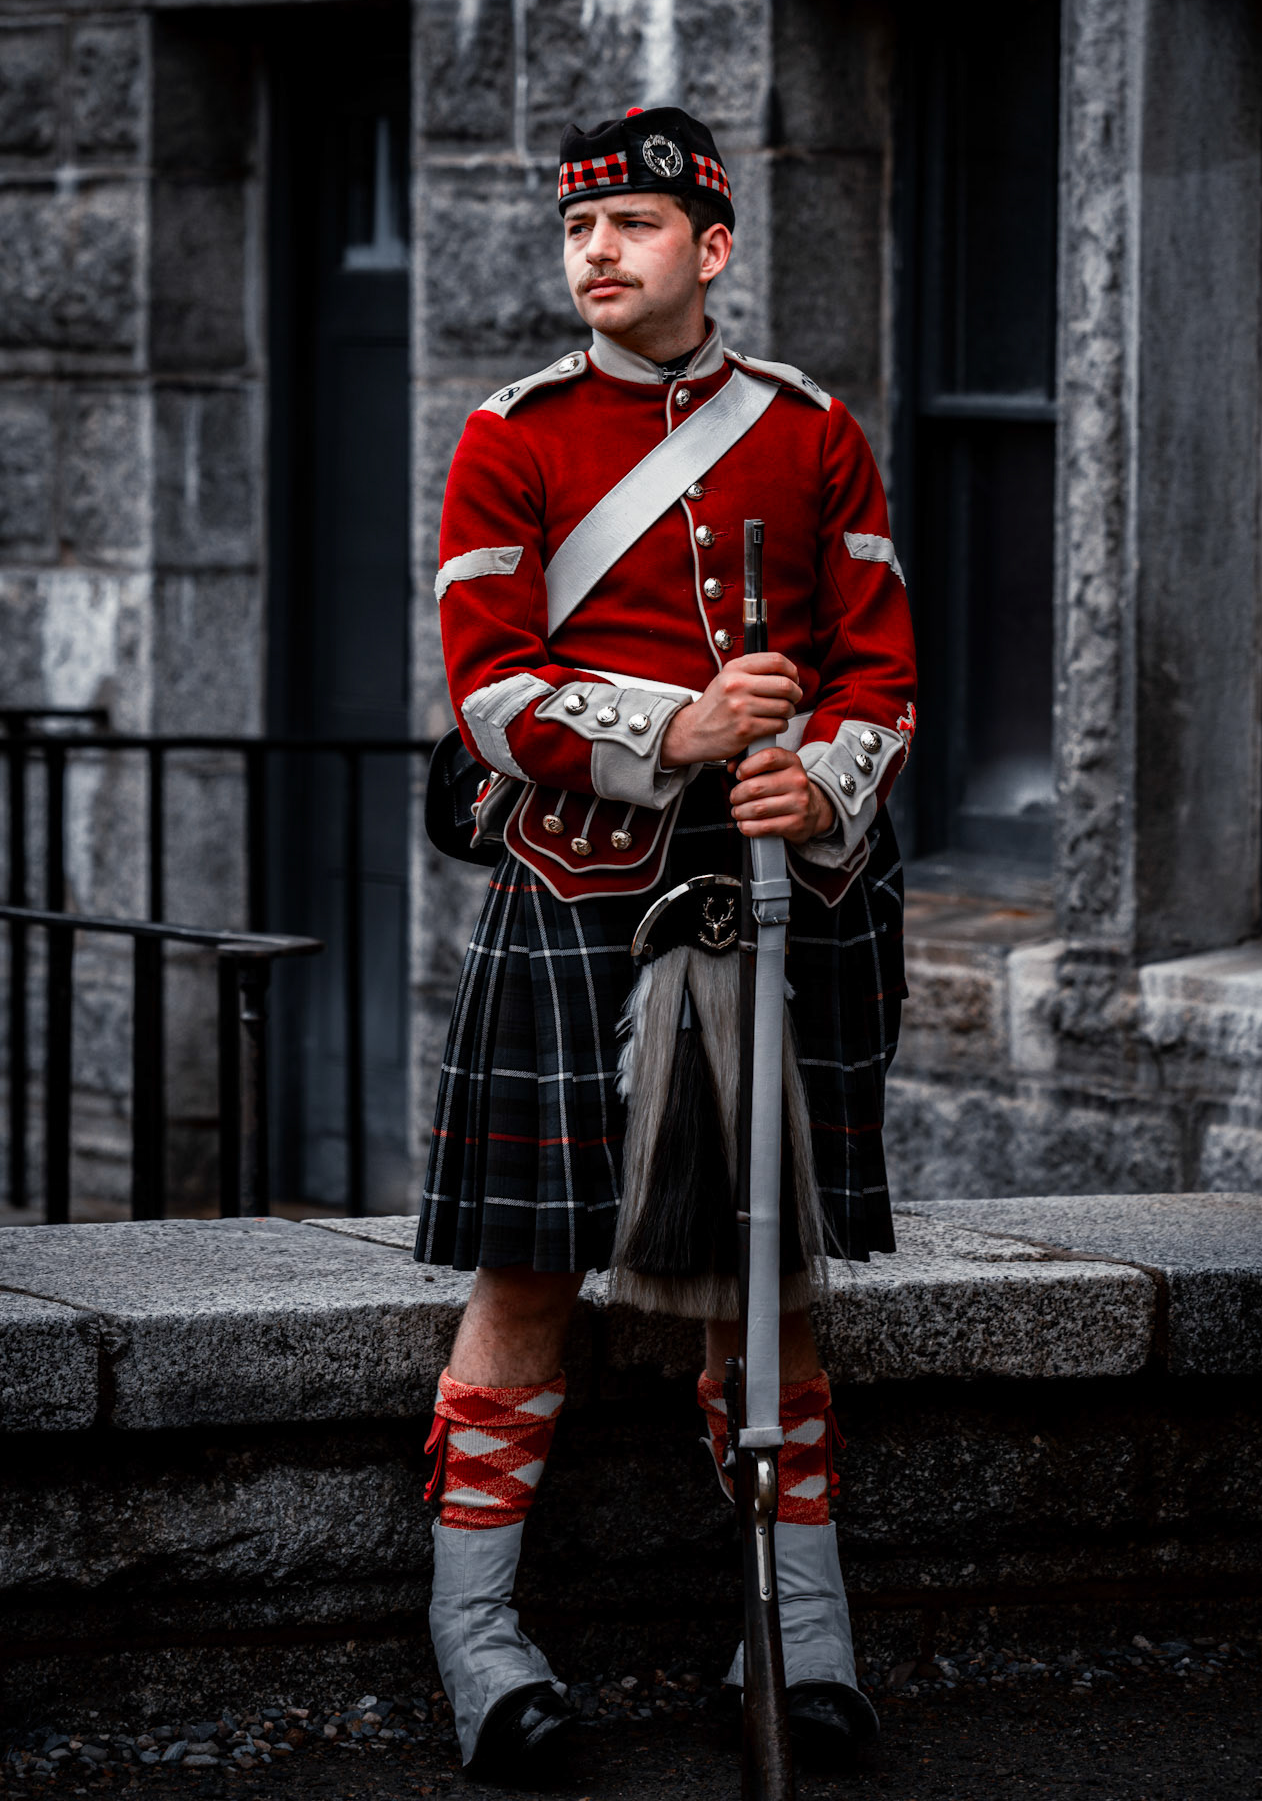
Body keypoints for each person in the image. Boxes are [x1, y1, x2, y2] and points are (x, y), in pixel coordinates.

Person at [415, 104, 917, 1781]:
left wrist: (809, 776)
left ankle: (802, 1627)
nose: (596, 256)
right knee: (527, 1268)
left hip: (773, 894)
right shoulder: (511, 437)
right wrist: (681, 728)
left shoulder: (810, 430)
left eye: (631, 227)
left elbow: (881, 666)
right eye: (578, 232)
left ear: (709, 250)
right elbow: (484, 694)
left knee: (759, 1273)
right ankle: (477, 1639)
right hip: (580, 887)